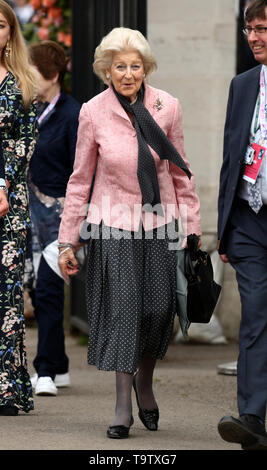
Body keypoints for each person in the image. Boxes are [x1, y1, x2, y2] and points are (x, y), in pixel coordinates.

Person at [58, 27, 201, 439]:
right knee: (124, 311)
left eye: (135, 66)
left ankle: (144, 381)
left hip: (158, 223)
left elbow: (180, 171)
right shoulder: (93, 112)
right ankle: (123, 404)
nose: (128, 73)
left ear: (145, 69)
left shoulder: (166, 106)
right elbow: (80, 178)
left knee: (157, 311)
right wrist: (69, 238)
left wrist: (191, 227)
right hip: (111, 223)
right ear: (107, 70)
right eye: (119, 66)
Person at [217, 0, 267, 450]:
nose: (253, 37)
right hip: (250, 219)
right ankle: (251, 416)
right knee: (254, 315)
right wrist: (225, 225)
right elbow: (232, 156)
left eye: (263, 28)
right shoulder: (242, 84)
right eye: (249, 29)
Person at [27, 41, 81, 396]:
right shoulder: (27, 109)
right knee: (36, 289)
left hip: (62, 218)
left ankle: (44, 371)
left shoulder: (74, 113)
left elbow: (84, 170)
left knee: (47, 289)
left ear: (51, 74)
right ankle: (59, 365)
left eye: (31, 71)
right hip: (29, 215)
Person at [0, 0, 38, 416]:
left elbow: (26, 143)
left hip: (9, 205)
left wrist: (3, 184)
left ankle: (7, 390)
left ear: (10, 33)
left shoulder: (22, 83)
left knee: (7, 297)